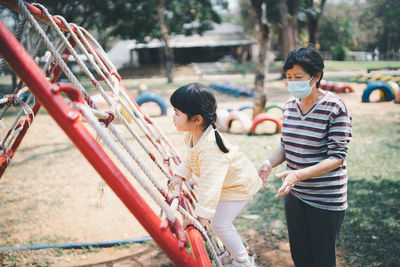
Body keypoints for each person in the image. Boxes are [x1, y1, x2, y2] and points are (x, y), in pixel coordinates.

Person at [258, 46, 352, 267]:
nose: (292, 82)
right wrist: (269, 162)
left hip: (326, 200)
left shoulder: (335, 107)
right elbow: (285, 145)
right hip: (295, 195)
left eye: (298, 77)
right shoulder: (290, 106)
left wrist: (297, 175)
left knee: (321, 260)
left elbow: (337, 157)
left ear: (316, 76)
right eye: (289, 77)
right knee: (300, 257)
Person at [169, 83, 261, 266]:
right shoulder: (194, 135)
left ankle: (242, 261)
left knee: (219, 223)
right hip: (229, 184)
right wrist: (180, 174)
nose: (173, 117)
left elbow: (211, 186)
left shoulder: (211, 149)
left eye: (177, 113)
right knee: (218, 220)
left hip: (239, 186)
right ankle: (233, 253)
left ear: (196, 119)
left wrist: (201, 218)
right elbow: (190, 157)